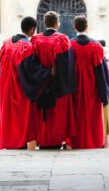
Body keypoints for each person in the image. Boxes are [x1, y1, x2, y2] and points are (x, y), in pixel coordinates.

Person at [0, 16, 51, 149]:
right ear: (32, 30)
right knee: (20, 119)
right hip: (18, 89)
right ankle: (18, 145)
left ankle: (9, 144)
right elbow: (32, 71)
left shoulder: (6, 43)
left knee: (8, 117)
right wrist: (49, 71)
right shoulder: (26, 46)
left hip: (4, 87)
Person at [31, 11, 76, 149]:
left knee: (44, 115)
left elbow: (32, 63)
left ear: (44, 23)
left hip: (41, 85)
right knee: (57, 116)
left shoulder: (35, 40)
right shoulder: (62, 39)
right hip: (58, 86)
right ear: (57, 23)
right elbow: (68, 64)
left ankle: (43, 141)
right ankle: (57, 141)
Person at [70, 16, 109, 149]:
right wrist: (104, 95)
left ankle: (76, 143)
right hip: (92, 90)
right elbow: (101, 72)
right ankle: (94, 142)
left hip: (74, 89)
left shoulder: (69, 45)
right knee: (92, 117)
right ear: (87, 26)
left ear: (74, 27)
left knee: (77, 116)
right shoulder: (96, 46)